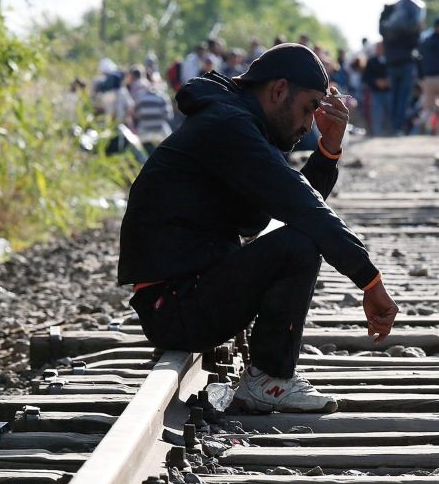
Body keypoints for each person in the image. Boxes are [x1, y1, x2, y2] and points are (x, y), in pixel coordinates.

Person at [118, 44, 399, 414]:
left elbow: (286, 210)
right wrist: (370, 281)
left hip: (183, 294)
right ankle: (269, 379)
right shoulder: (228, 126)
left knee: (299, 238)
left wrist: (328, 150)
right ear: (279, 90)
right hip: (173, 306)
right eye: (309, 107)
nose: (309, 124)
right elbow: (302, 208)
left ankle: (267, 377)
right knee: (299, 245)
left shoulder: (237, 123)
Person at [379, 0, 426, 134]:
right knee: (403, 98)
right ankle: (397, 128)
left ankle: (393, 127)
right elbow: (417, 43)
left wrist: (385, 12)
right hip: (406, 64)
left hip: (392, 64)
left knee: (394, 97)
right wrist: (418, 30)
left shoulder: (389, 26)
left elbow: (381, 31)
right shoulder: (410, 26)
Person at [363, 41, 392, 136]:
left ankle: (390, 133)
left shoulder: (391, 60)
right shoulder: (371, 61)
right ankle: (377, 134)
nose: (380, 49)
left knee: (390, 113)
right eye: (378, 47)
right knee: (376, 114)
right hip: (376, 92)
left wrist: (389, 81)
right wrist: (376, 82)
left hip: (389, 92)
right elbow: (366, 77)